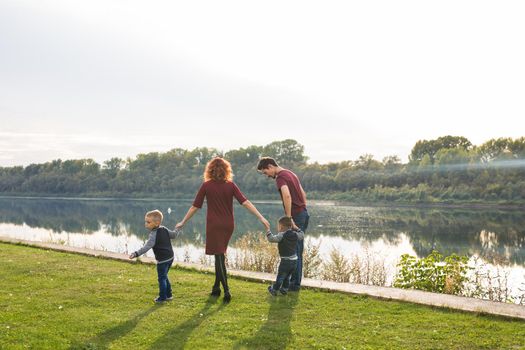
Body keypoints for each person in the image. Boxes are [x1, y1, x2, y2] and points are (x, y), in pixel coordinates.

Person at [176, 157, 270, 302]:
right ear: (226, 170)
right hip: (228, 225)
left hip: (214, 225)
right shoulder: (231, 185)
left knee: (219, 256)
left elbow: (195, 206)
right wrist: (261, 217)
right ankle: (216, 288)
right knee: (219, 255)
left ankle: (226, 290)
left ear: (210, 170)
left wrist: (183, 221)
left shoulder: (206, 186)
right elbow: (245, 202)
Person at [257, 157, 309, 291]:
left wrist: (289, 217)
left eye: (265, 172)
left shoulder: (280, 177)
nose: (266, 175)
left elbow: (286, 196)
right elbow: (303, 194)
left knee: (294, 250)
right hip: (303, 213)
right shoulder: (291, 173)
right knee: (297, 249)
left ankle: (294, 285)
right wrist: (302, 208)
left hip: (295, 216)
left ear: (270, 166)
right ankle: (294, 283)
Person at [129, 209, 181, 303]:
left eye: (148, 222)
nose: (146, 224)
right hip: (170, 257)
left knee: (161, 278)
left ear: (157, 223)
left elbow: (147, 247)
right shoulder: (164, 229)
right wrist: (177, 229)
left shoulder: (153, 234)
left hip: (162, 260)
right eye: (146, 221)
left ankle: (162, 297)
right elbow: (174, 235)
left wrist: (136, 253)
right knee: (164, 276)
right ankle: (169, 295)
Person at [266, 216, 304, 296]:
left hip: (285, 261)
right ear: (291, 226)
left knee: (280, 276)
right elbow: (302, 235)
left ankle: (274, 289)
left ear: (281, 226)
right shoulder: (295, 234)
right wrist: (296, 227)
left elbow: (271, 239)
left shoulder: (281, 235)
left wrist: (268, 230)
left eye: (278, 226)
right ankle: (284, 289)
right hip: (294, 261)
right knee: (287, 276)